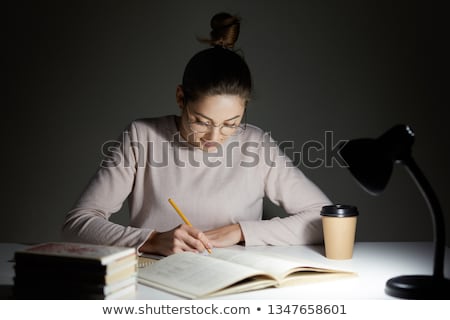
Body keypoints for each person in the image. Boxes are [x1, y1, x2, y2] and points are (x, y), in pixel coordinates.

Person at [62, 12, 331, 256]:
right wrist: (152, 240)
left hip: (233, 281)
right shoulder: (142, 136)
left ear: (244, 109)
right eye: (201, 121)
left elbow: (326, 220)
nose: (214, 135)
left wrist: (241, 231)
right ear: (181, 98)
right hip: (154, 280)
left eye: (231, 123)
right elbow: (77, 224)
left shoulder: (255, 144)